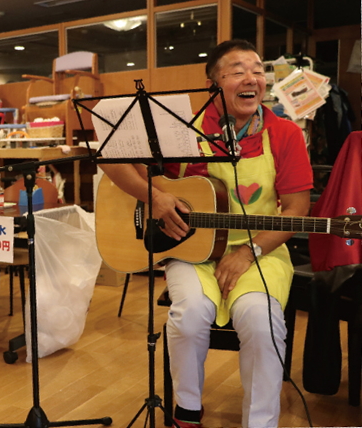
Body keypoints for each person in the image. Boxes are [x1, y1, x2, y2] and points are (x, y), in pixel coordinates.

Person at [100, 40, 313, 427]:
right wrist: (155, 198)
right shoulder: (182, 130)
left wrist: (248, 252)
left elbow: (298, 211)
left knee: (261, 321)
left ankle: (260, 422)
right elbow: (112, 161)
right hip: (191, 248)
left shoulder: (284, 135)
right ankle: (187, 411)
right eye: (237, 71)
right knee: (190, 313)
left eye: (257, 70)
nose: (251, 78)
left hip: (260, 251)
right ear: (213, 83)